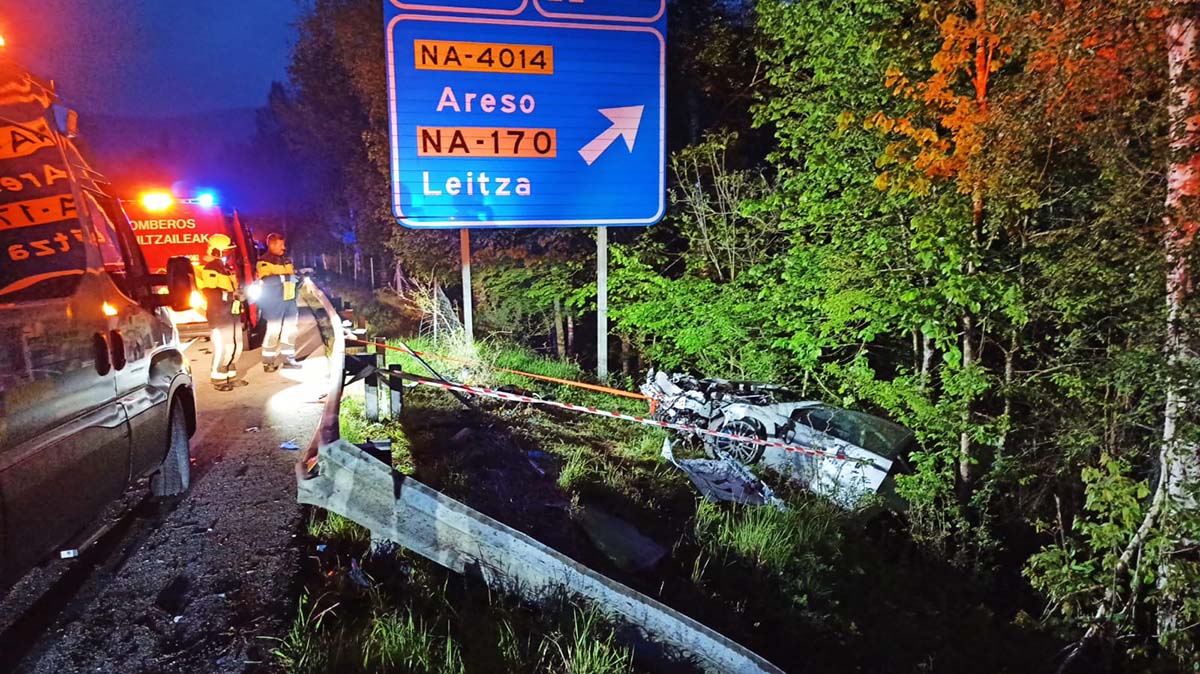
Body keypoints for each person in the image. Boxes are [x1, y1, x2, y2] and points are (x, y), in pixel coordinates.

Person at [198, 234, 247, 391]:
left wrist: (240, 295)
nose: (229, 254)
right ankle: (218, 379)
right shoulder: (210, 268)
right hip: (219, 315)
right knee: (222, 348)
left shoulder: (226, 268)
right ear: (216, 251)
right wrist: (232, 295)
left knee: (235, 346)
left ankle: (231, 377)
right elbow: (210, 292)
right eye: (226, 251)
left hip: (231, 313)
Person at [257, 232, 300, 372]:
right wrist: (286, 278)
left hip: (289, 300)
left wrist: (299, 276)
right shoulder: (263, 261)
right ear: (272, 245)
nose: (284, 247)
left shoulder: (286, 260)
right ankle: (268, 362)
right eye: (281, 245)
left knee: (291, 331)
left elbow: (291, 276)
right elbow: (266, 280)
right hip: (274, 302)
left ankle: (288, 359)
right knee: (273, 331)